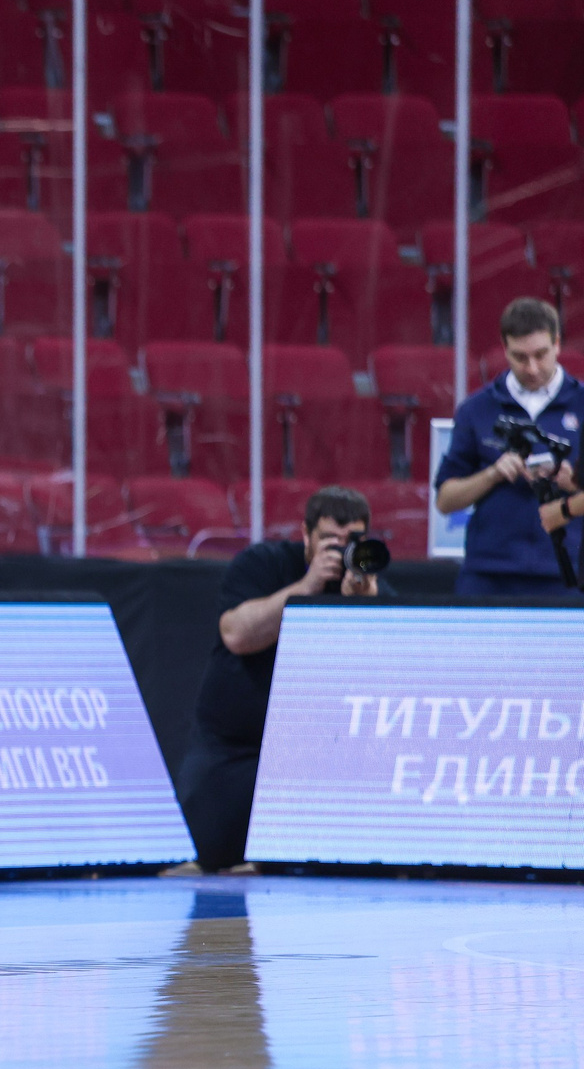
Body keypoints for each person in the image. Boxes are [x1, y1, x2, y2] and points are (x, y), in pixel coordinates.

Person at [179, 485, 386, 875]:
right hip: (237, 748)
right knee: (205, 850)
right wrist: (305, 590)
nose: (341, 551)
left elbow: (386, 677)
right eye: (329, 540)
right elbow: (236, 634)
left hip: (316, 757)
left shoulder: (366, 580)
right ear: (305, 535)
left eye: (352, 541)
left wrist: (360, 607)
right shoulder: (262, 564)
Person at [434, 296, 584, 597]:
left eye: (541, 354)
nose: (531, 367)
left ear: (557, 343)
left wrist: (574, 484)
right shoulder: (477, 409)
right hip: (489, 572)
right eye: (520, 356)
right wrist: (493, 474)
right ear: (504, 350)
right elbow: (445, 500)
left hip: (566, 572)